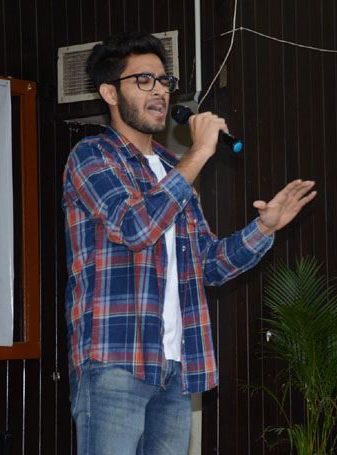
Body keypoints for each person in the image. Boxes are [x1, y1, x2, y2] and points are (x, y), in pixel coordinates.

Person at [62, 31, 316, 455]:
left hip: (177, 365)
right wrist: (197, 153)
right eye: (144, 80)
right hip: (114, 359)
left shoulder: (170, 168)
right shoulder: (92, 156)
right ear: (109, 91)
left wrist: (265, 228)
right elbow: (135, 228)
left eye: (163, 80)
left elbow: (209, 265)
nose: (159, 91)